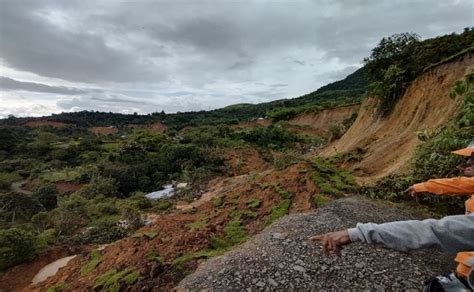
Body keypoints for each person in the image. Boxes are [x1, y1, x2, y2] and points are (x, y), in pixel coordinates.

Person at [310, 142, 474, 290]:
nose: (469, 162)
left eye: (473, 157)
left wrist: (356, 233)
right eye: (469, 158)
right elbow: (457, 183)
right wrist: (423, 186)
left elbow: (434, 230)